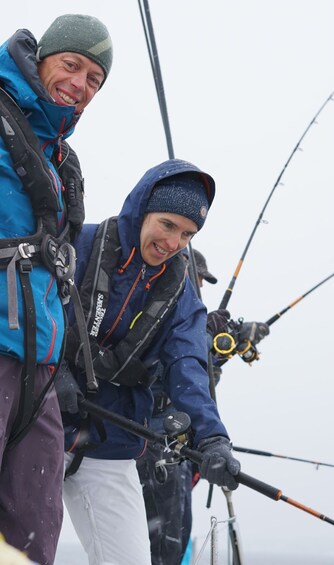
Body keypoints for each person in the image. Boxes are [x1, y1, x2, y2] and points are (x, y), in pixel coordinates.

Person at [55, 158, 242, 565]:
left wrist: (212, 437)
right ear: (142, 209)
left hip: (111, 441)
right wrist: (53, 373)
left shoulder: (183, 297)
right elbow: (37, 307)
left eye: (188, 234)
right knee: (24, 547)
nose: (175, 242)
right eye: (168, 224)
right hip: (38, 420)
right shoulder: (79, 244)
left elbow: (188, 364)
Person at [0, 14, 112, 565]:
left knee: (34, 536)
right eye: (72, 65)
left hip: (40, 374)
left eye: (94, 78)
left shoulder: (61, 162)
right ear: (41, 58)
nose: (80, 84)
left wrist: (63, 369)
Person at [137, 248, 270, 565]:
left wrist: (220, 348)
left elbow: (193, 373)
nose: (199, 284)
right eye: (197, 277)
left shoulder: (190, 322)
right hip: (154, 448)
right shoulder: (154, 310)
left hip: (179, 453)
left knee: (174, 540)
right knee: (161, 547)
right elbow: (164, 369)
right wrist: (206, 341)